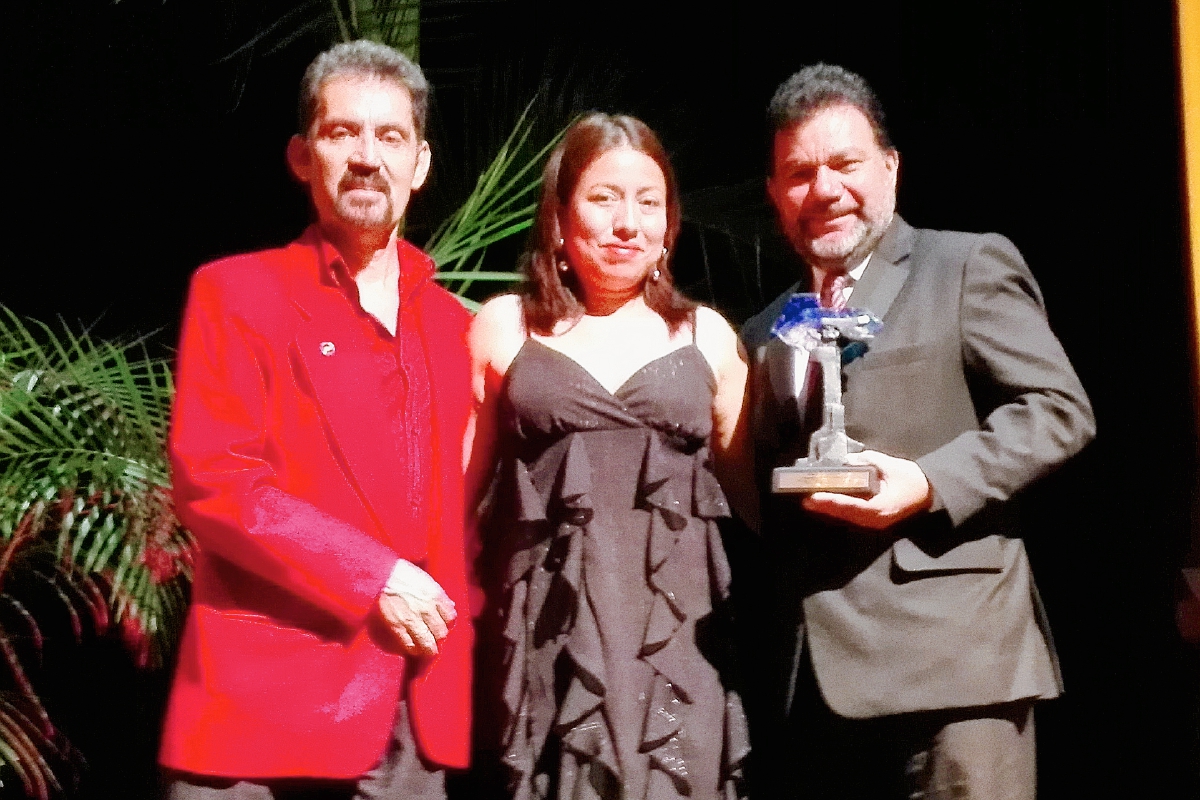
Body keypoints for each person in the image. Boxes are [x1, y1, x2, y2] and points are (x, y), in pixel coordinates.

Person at [742, 64, 1096, 799]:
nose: (825, 190)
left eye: (845, 164)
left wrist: (929, 480)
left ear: (891, 169)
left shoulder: (963, 266)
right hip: (816, 688)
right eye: (800, 173)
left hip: (956, 672)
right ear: (775, 194)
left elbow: (1060, 408)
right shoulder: (765, 328)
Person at [160, 41, 473, 799]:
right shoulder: (238, 293)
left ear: (421, 163)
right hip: (258, 713)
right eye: (343, 133)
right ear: (303, 156)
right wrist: (376, 577)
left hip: (408, 708)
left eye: (390, 136)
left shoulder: (453, 325)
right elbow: (217, 483)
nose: (368, 157)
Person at [466, 113, 755, 800]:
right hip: (551, 647)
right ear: (560, 219)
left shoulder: (708, 337)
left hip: (678, 658)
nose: (628, 222)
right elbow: (457, 504)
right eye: (603, 198)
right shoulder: (504, 327)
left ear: (669, 224)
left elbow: (753, 506)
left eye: (648, 202)